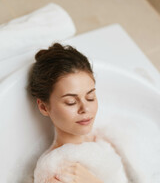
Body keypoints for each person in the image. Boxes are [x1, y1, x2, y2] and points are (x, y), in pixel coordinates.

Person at [28, 42, 128, 183]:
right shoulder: (56, 174)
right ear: (44, 107)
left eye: (90, 97)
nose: (85, 109)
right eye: (71, 102)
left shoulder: (100, 136)